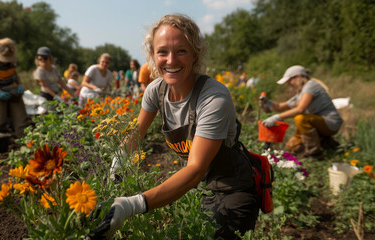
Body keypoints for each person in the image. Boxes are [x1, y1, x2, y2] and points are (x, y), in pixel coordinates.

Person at [91, 14, 258, 240]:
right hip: (195, 190)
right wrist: (118, 160)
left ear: (194, 54)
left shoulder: (213, 97)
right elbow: (137, 132)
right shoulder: (155, 91)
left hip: (230, 190)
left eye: (181, 51)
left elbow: (196, 169)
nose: (171, 60)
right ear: (152, 55)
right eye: (162, 52)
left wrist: (130, 205)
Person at [260, 65, 343, 158]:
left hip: (330, 122)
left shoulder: (311, 85)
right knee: (292, 146)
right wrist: (267, 102)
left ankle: (314, 153)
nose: (288, 84)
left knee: (300, 118)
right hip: (317, 123)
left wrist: (277, 117)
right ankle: (327, 143)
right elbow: (280, 106)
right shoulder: (301, 93)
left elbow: (300, 109)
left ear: (298, 77)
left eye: (289, 81)